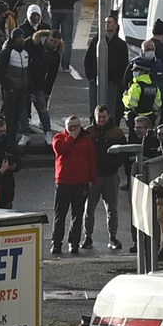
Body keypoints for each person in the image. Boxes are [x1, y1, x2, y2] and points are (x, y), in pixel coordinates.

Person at [51, 117, 97, 254]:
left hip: (81, 183)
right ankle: (56, 242)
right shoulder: (59, 138)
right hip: (64, 182)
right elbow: (61, 150)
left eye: (76, 126)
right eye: (70, 126)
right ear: (65, 127)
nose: (73, 129)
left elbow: (92, 161)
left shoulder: (87, 141)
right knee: (60, 215)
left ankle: (74, 242)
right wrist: (71, 137)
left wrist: (91, 180)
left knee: (77, 215)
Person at [87, 106, 131, 250]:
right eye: (99, 117)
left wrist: (114, 165)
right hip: (93, 177)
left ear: (109, 116)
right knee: (89, 210)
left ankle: (113, 238)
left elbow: (123, 153)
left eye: (104, 117)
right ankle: (87, 237)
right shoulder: (88, 132)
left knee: (112, 210)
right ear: (95, 116)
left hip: (111, 176)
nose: (101, 120)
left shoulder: (117, 132)